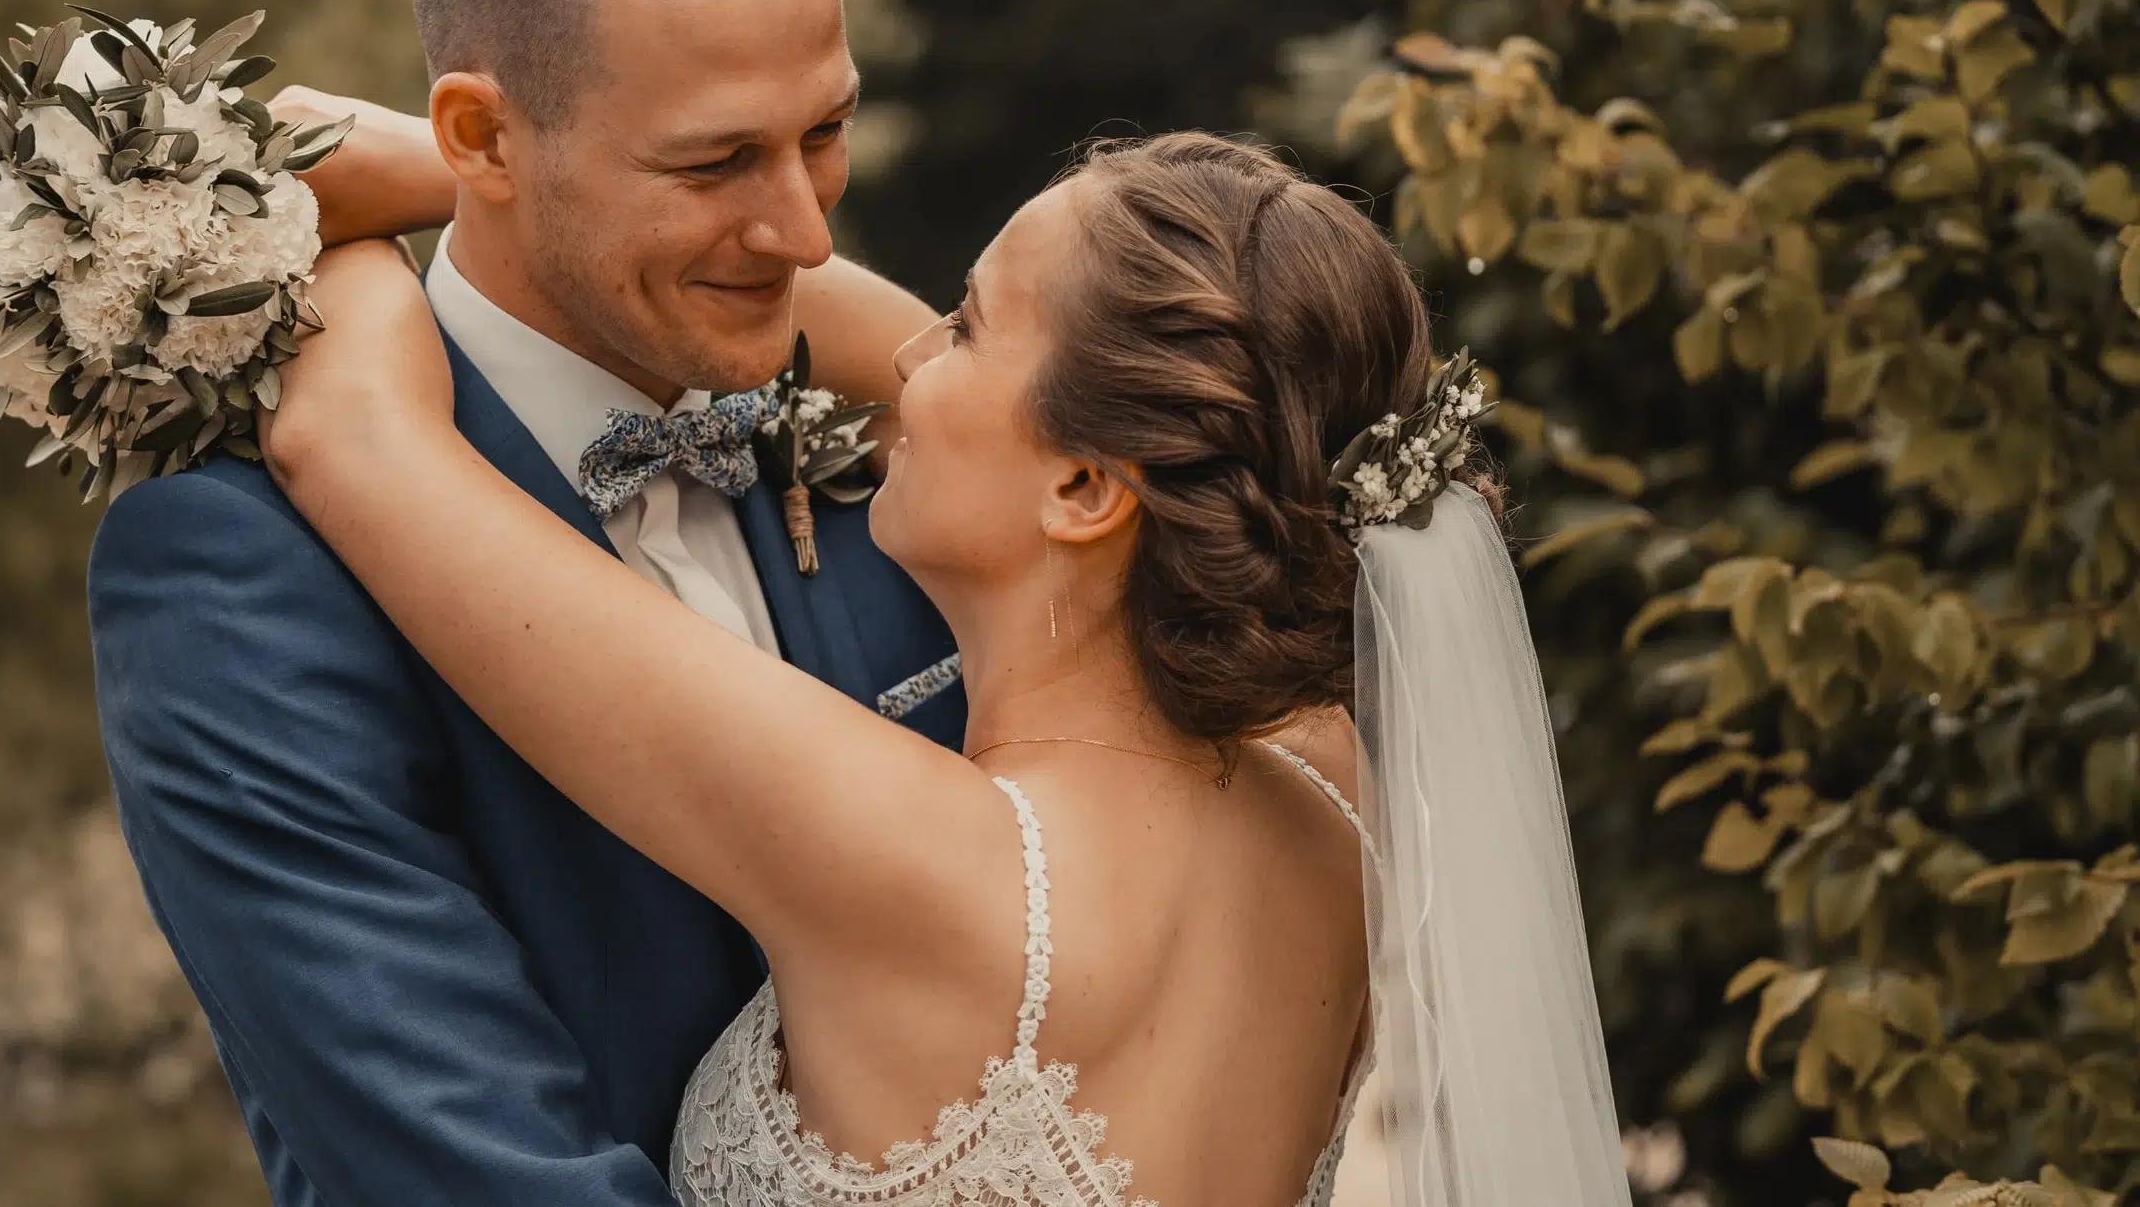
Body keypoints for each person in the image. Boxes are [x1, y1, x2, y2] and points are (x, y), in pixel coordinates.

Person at [260, 122, 1636, 1206]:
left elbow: (352, 442)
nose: (906, 358)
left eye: (967, 326)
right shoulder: (1332, 805)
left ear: (1092, 486)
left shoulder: (916, 857)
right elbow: (895, 347)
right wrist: (521, 179)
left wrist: (459, 186)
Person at [88, 0, 968, 1207]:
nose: (804, 228)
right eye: (715, 160)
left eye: (825, 130)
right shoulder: (240, 572)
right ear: (484, 139)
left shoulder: (906, 469)